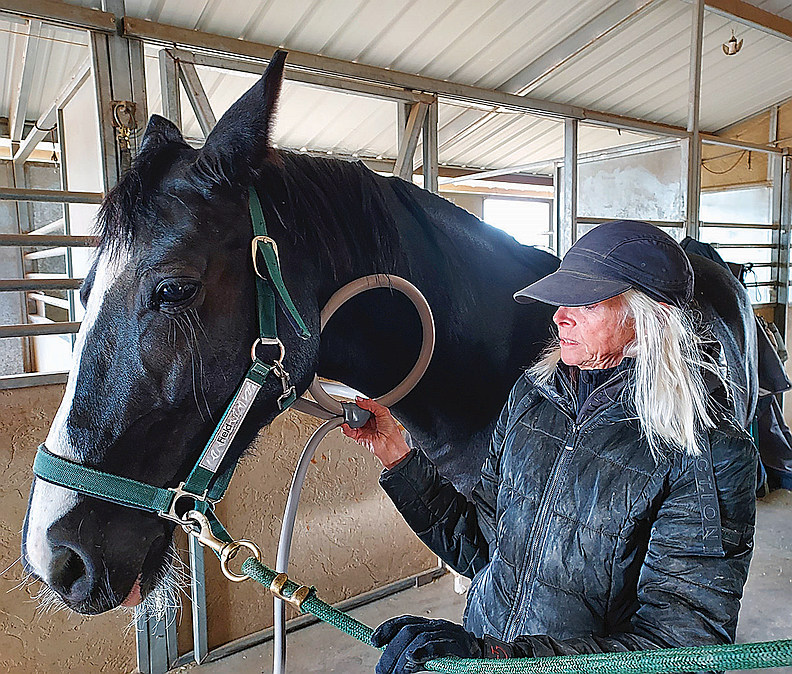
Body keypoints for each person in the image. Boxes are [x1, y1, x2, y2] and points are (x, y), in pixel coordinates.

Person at [342, 221, 758, 674]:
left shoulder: (707, 453)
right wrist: (397, 456)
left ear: (649, 315)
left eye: (587, 300)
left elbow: (681, 649)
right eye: (562, 297)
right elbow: (483, 546)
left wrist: (500, 659)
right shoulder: (533, 397)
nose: (559, 315)